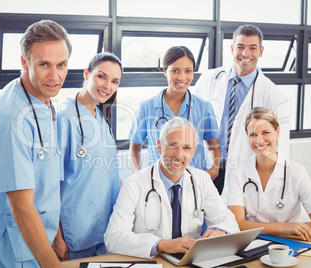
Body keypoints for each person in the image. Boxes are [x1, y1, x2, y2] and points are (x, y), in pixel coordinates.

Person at [0, 20, 72, 267]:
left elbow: (45, 177)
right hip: (13, 240)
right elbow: (21, 207)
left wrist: (55, 236)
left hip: (39, 230)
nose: (55, 76)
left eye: (61, 65)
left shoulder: (42, 99)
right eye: (44, 64)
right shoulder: (12, 119)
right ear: (24, 62)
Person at [105, 117, 239, 258]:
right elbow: (114, 237)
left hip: (189, 261)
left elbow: (227, 220)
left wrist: (221, 231)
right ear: (159, 146)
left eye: (186, 147)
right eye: (172, 145)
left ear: (193, 152)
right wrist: (161, 244)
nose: (179, 155)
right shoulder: (133, 184)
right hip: (153, 262)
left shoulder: (202, 179)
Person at [194, 24, 290, 195]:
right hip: (207, 165)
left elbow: (281, 148)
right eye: (240, 47)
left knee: (237, 219)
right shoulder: (209, 79)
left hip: (244, 170)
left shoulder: (274, 95)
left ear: (260, 51)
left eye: (252, 48)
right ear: (232, 48)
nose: (245, 54)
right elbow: (193, 121)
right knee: (199, 216)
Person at [53, 52, 122, 260]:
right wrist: (56, 237)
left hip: (106, 226)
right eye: (101, 76)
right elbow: (50, 183)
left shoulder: (100, 116)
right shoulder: (64, 118)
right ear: (86, 73)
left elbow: (109, 172)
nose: (107, 86)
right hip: (76, 229)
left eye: (115, 81)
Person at [227, 107, 311, 241]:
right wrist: (286, 228)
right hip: (251, 243)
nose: (259, 140)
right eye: (252, 134)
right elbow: (237, 224)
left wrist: (285, 229)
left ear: (277, 132)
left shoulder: (297, 172)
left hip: (288, 245)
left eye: (265, 132)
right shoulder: (238, 172)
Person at [129, 46, 221, 180]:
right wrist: (139, 176)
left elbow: (213, 147)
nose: (182, 77)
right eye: (175, 71)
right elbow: (134, 148)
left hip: (194, 182)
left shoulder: (204, 107)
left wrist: (214, 170)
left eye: (188, 71)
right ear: (165, 71)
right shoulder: (146, 107)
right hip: (157, 183)